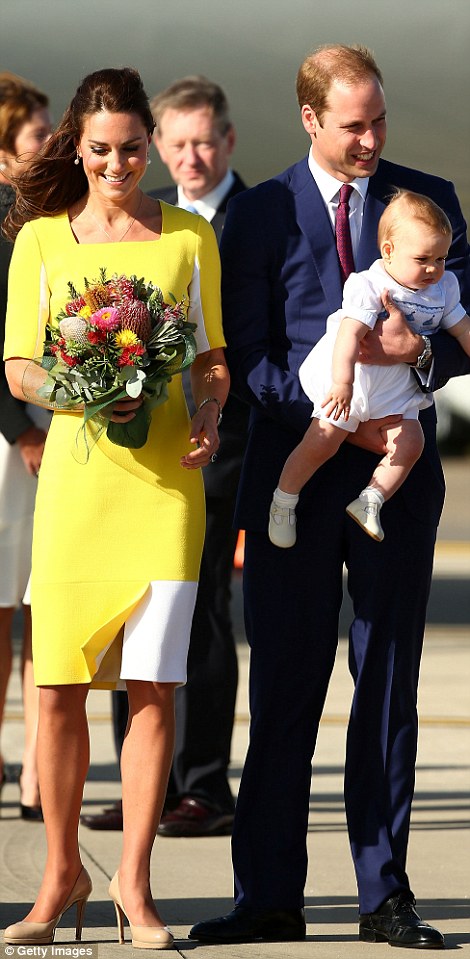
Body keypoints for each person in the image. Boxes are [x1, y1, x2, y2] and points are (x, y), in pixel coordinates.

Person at [189, 44, 470, 949]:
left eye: (378, 119)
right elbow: (247, 351)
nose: (370, 139)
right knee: (285, 684)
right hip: (298, 473)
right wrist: (331, 410)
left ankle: (384, 892)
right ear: (310, 119)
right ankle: (268, 892)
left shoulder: (428, 199)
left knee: (386, 680)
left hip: (396, 477)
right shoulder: (263, 212)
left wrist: (416, 359)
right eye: (353, 124)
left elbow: (461, 326)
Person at [2, 66, 228, 949]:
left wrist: (207, 410)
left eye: (134, 149)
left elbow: (212, 355)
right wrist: (82, 387)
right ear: (79, 145)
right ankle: (61, 878)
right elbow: (17, 364)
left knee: (152, 689)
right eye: (102, 149)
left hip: (165, 486)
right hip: (75, 484)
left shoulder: (188, 237)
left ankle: (134, 884)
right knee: (55, 687)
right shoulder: (40, 243)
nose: (119, 164)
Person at [81, 75, 248, 838]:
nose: (192, 155)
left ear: (229, 142)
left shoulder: (244, 221)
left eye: (204, 140)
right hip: (134, 451)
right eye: (177, 143)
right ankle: (146, 779)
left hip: (216, 449)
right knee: (132, 615)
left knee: (203, 616)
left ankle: (204, 783)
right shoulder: (133, 227)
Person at [269, 190, 470, 547]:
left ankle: (371, 499)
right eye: (422, 259)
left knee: (412, 442)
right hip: (357, 382)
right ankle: (284, 498)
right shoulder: (371, 285)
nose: (433, 269)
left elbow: (462, 328)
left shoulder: (444, 288)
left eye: (441, 259)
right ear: (389, 251)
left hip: (396, 389)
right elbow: (349, 334)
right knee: (323, 439)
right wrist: (342, 383)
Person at [0, 71, 52, 818]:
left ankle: (42, 775)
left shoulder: (52, 218)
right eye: (40, 134)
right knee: (3, 608)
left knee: (49, 609)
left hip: (49, 436)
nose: (55, 145)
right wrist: (23, 433)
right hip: (13, 444)